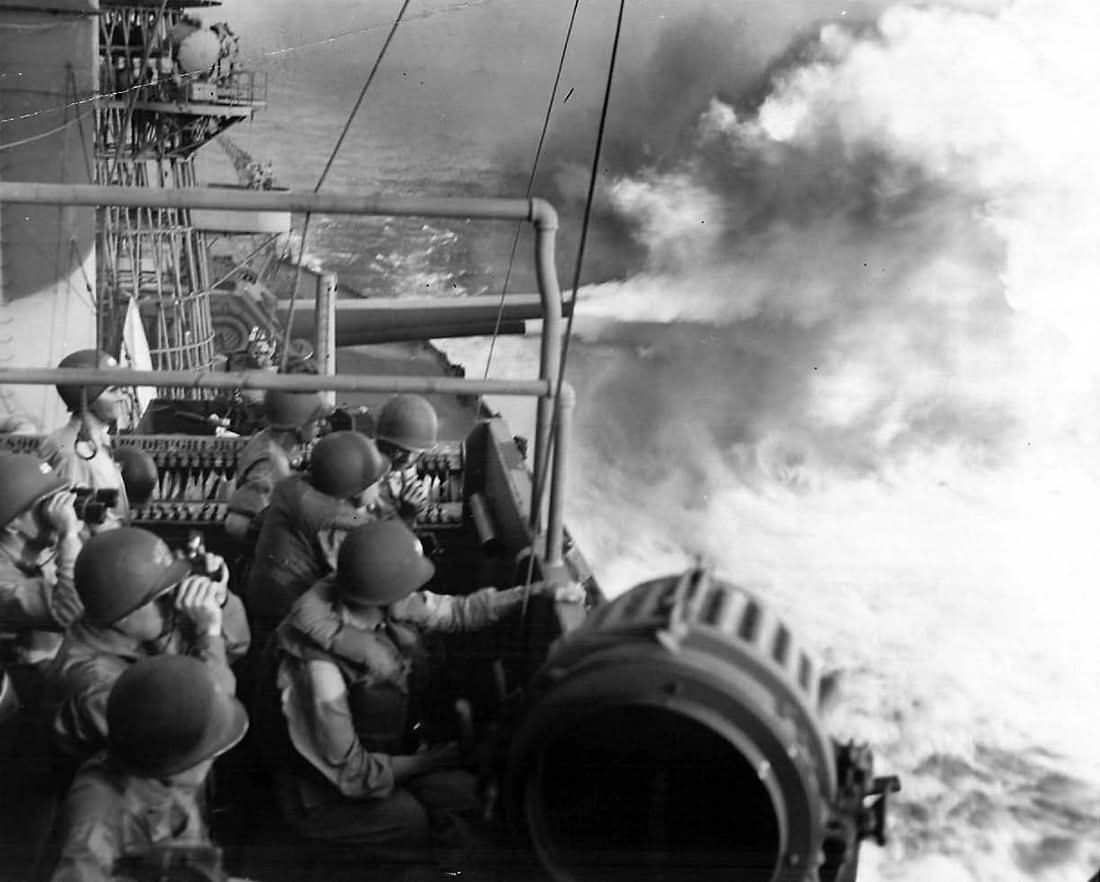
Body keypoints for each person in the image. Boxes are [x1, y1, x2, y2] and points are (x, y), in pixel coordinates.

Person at [260, 519, 582, 869]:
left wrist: (533, 593)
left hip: (383, 759)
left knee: (463, 796)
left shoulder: (374, 600)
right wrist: (429, 761)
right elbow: (353, 775)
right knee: (410, 820)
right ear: (381, 592)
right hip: (320, 794)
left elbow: (461, 612)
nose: (412, 594)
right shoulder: (317, 669)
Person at [47, 527, 249, 771]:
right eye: (163, 598)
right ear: (123, 616)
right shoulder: (94, 684)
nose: (175, 602)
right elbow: (203, 725)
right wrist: (209, 632)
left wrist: (221, 600)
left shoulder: (140, 627)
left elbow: (237, 646)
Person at [49, 654, 248, 882]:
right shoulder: (94, 821)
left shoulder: (168, 777)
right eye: (208, 755)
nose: (212, 759)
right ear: (175, 761)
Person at [242, 430, 390, 646]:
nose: (381, 485)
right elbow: (361, 579)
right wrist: (395, 516)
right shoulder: (336, 523)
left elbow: (254, 528)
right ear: (356, 489)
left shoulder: (292, 487)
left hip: (262, 599)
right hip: (291, 618)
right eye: (378, 481)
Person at [0, 455, 84, 664]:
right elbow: (70, 610)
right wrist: (69, 536)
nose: (57, 512)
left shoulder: (41, 554)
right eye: (45, 506)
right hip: (31, 687)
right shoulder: (3, 580)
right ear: (12, 524)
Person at [38, 350, 130, 533]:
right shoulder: (74, 455)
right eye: (113, 391)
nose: (122, 396)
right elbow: (74, 523)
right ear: (87, 397)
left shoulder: (95, 443)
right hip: (95, 553)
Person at [224, 389, 327, 543]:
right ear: (297, 425)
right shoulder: (267, 467)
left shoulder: (281, 442)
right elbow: (236, 524)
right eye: (316, 419)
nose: (322, 424)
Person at [373, 394, 438, 526]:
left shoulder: (402, 465)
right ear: (381, 443)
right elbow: (361, 527)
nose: (408, 459)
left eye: (416, 453)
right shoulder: (360, 479)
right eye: (399, 450)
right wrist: (406, 516)